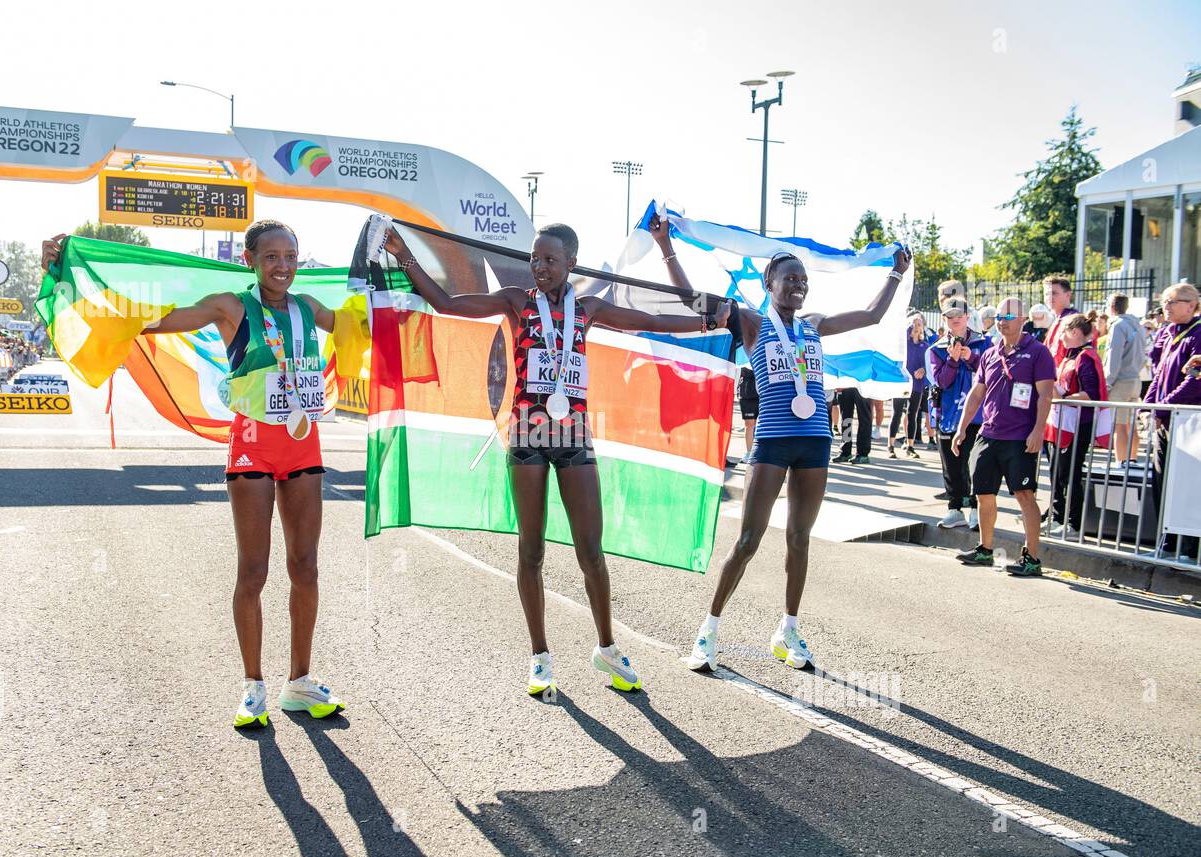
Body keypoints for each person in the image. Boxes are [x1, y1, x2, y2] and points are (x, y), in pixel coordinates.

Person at [384, 221, 729, 696]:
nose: (539, 267)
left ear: (571, 263)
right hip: (527, 432)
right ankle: (540, 656)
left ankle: (606, 648)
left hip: (574, 435)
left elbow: (653, 322)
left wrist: (711, 322)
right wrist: (404, 255)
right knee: (532, 551)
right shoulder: (514, 301)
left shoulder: (587, 309)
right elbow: (446, 304)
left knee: (591, 551)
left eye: (550, 259)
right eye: (534, 259)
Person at [42, 220, 349, 728]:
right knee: (253, 571)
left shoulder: (308, 309)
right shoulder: (230, 305)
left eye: (291, 255)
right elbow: (152, 321)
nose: (283, 266)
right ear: (250, 259)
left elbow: (365, 325)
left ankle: (299, 682)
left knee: (307, 567)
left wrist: (397, 274)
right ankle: (253, 687)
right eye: (271, 256)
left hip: (303, 448)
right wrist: (68, 276)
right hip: (252, 449)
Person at [686, 244, 914, 672]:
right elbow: (691, 300)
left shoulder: (814, 325)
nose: (798, 286)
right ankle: (709, 629)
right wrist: (665, 248)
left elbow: (872, 316)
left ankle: (787, 630)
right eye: (789, 279)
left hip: (814, 442)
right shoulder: (752, 323)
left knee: (799, 538)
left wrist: (896, 274)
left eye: (803, 281)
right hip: (772, 442)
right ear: (769, 283)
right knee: (747, 541)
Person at [954, 297, 1056, 576]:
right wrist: (962, 428)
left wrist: (1038, 430)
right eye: (999, 317)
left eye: (1008, 317)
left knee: (1025, 495)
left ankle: (1031, 558)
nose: (1002, 322)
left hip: (1020, 437)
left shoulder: (1038, 352)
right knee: (983, 494)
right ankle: (985, 549)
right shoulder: (990, 353)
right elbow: (977, 393)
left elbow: (1045, 394)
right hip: (989, 434)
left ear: (1023, 319)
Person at [1144, 282, 1201, 563]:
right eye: (1164, 302)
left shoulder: (1198, 333)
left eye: (1173, 302)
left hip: (1188, 421)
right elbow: (1158, 374)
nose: (1166, 307)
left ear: (1191, 304)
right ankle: (1166, 543)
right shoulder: (1168, 333)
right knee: (1161, 481)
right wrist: (1150, 405)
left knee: (1186, 485)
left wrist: (1164, 407)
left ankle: (1190, 548)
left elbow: (1195, 379)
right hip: (1166, 420)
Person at [929, 298, 990, 529]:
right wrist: (953, 360)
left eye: (960, 314)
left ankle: (976, 509)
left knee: (976, 465)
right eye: (950, 315)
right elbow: (942, 381)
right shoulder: (936, 349)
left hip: (977, 415)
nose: (956, 319)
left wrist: (970, 358)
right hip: (949, 416)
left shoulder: (984, 343)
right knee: (952, 465)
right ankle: (954, 509)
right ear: (944, 319)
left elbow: (990, 375)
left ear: (967, 316)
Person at [1047, 314, 1107, 536]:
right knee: (1058, 471)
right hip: (1063, 423)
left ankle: (1073, 523)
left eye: (1063, 332)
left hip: (1078, 424)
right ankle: (1058, 516)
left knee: (1070, 473)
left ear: (1073, 332)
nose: (1060, 337)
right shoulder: (1069, 357)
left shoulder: (1086, 357)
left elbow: (1091, 393)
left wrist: (1064, 398)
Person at [1102, 294, 1150, 466]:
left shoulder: (1118, 326)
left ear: (1111, 307)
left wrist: (1107, 382)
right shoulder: (1136, 325)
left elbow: (1113, 356)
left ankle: (1121, 460)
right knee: (1131, 423)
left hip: (1120, 380)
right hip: (1135, 378)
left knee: (1119, 425)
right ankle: (1132, 458)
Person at [888, 312, 929, 458]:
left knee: (913, 414)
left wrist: (923, 369)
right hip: (901, 383)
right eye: (914, 324)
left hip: (916, 385)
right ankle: (891, 446)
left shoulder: (925, 346)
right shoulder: (903, 344)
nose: (916, 327)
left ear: (923, 327)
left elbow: (929, 365)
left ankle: (910, 446)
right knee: (897, 413)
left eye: (919, 324)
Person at [1041, 274, 1080, 365]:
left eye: (1054, 293)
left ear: (1068, 295)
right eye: (1046, 294)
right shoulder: (1058, 320)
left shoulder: (1073, 320)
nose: (1049, 297)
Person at [833, 386, 872, 463]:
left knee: (864, 418)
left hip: (862, 383)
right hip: (846, 384)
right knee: (845, 419)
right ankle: (845, 452)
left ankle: (863, 454)